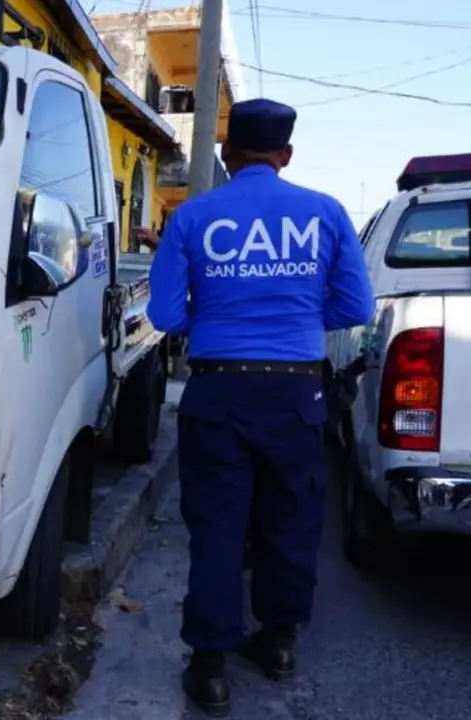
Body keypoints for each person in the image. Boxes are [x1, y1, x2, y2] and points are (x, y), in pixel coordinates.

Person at [146, 98, 374, 717]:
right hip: (298, 391)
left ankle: (211, 669)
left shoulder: (194, 216)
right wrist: (297, 317)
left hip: (218, 390)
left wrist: (218, 318)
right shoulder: (324, 213)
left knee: (218, 526)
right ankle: (277, 643)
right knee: (291, 519)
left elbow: (165, 315)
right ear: (287, 155)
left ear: (227, 154)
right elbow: (356, 308)